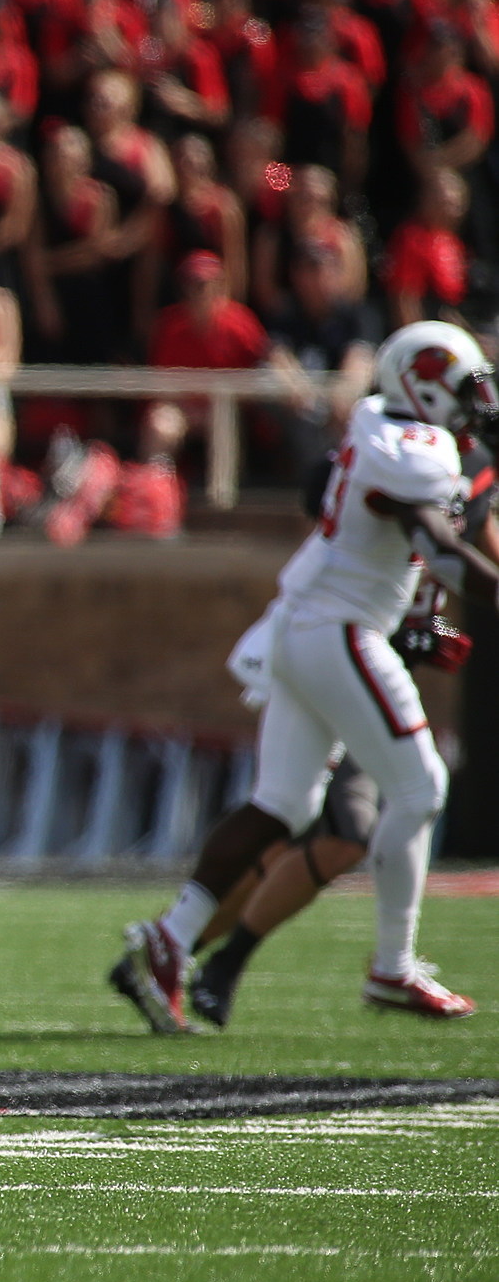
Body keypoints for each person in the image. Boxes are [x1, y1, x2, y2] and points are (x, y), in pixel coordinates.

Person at [107, 322, 499, 1032]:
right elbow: (438, 551)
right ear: (424, 381)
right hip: (338, 630)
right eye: (464, 390)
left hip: (310, 625)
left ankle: (171, 939)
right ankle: (392, 966)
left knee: (282, 805)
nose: (474, 406)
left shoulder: (383, 423)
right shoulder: (413, 452)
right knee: (421, 787)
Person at [187, 433, 499, 1027]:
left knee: (312, 827)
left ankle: (190, 956)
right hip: (338, 650)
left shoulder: (473, 473)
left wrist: (427, 628)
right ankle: (192, 956)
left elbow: (433, 584)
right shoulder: (391, 448)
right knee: (322, 826)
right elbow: (344, 527)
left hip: (363, 657)